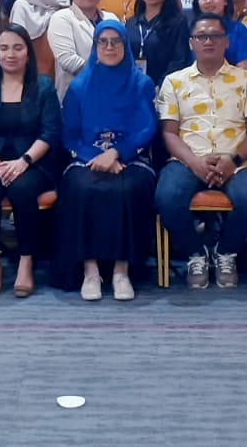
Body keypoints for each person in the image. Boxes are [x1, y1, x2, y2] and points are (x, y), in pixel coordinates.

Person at [154, 13, 247, 290]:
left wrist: (234, 160)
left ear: (226, 42)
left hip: (236, 161)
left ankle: (225, 252)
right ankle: (196, 253)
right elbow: (169, 133)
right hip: (187, 160)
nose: (208, 41)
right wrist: (194, 162)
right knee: (166, 198)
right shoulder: (174, 81)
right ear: (191, 42)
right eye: (201, 36)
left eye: (215, 36)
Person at [56, 21, 158, 300]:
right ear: (95, 46)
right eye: (103, 41)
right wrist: (97, 157)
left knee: (128, 188)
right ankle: (90, 271)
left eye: (116, 41)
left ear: (125, 46)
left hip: (130, 156)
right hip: (87, 156)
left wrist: (117, 153)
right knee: (80, 187)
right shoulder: (79, 86)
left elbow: (146, 128)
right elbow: (70, 134)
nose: (109, 47)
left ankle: (121, 271)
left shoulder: (141, 84)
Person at [0, 27, 62, 298]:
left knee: (22, 189)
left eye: (18, 48)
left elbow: (50, 132)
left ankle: (25, 262)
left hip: (33, 159)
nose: (11, 54)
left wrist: (23, 162)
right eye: (4, 48)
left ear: (28, 53)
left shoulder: (43, 85)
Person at [48, 0, 119, 99]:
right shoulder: (62, 18)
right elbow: (68, 61)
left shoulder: (111, 18)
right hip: (77, 96)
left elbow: (121, 54)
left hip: (112, 95)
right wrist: (107, 73)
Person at [125, 0, 192, 91]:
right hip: (132, 91)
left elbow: (179, 61)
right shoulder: (131, 24)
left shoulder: (178, 23)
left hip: (165, 92)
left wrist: (160, 88)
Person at [10, 0, 68, 78]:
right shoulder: (22, 7)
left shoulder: (65, 5)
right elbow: (14, 48)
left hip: (63, 79)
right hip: (30, 79)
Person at [193, 0, 247, 73]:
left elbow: (244, 72)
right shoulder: (190, 31)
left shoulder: (238, 30)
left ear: (225, 0)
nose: (208, 1)